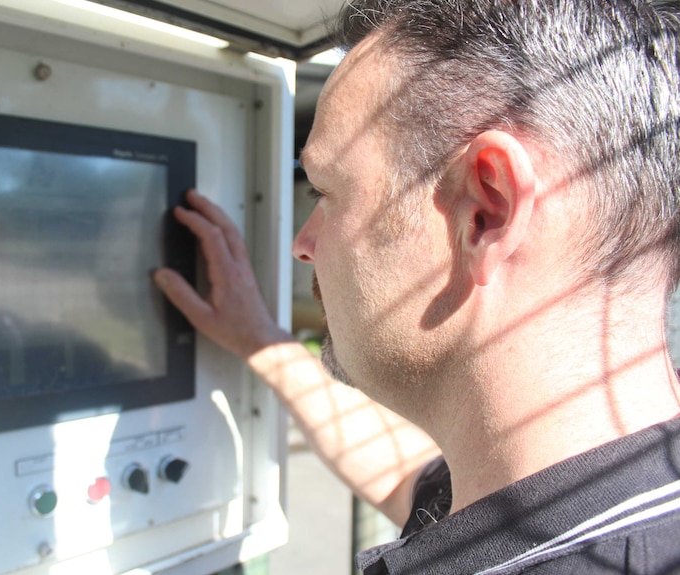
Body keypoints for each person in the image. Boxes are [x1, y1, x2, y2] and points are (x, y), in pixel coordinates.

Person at [154, 0, 680, 572]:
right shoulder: (602, 493)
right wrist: (259, 338)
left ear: (486, 210)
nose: (303, 243)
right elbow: (412, 478)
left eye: (324, 192)